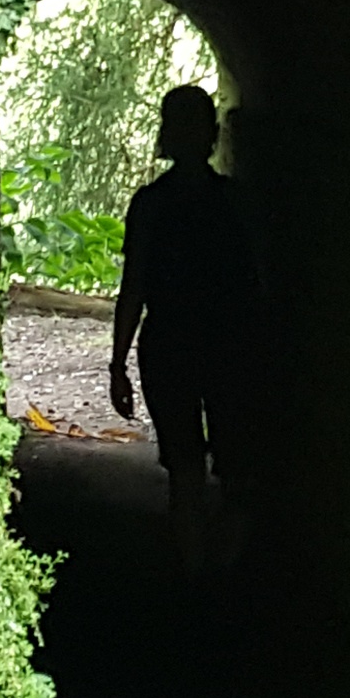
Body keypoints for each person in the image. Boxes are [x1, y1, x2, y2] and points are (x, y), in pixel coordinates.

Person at [109, 84, 260, 573]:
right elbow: (258, 284)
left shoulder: (150, 205)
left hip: (170, 346)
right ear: (214, 137)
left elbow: (134, 287)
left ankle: (194, 573)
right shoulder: (235, 201)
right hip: (228, 346)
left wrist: (118, 362)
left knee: (185, 469)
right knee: (237, 469)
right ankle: (224, 573)